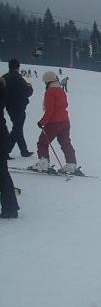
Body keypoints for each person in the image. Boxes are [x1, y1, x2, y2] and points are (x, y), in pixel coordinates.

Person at [31, 71, 80, 174]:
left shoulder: (50, 92)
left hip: (54, 122)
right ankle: (71, 164)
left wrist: (42, 122)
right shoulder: (61, 90)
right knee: (65, 142)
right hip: (65, 121)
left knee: (43, 142)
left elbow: (50, 110)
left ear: (47, 81)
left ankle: (43, 163)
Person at [2, 58, 34, 157]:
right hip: (19, 107)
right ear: (18, 67)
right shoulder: (19, 78)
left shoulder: (4, 78)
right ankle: (5, 150)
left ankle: (23, 150)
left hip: (9, 107)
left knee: (18, 128)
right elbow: (27, 92)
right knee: (17, 129)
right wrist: (30, 87)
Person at [0, 77, 20, 218]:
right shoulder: (3, 91)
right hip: (2, 135)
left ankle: (10, 207)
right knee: (2, 174)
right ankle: (10, 207)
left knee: (2, 174)